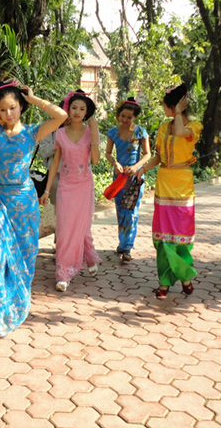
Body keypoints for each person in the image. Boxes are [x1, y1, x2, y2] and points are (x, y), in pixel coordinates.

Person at [0, 81, 67, 348]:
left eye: (13, 108)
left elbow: (61, 116)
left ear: (20, 107)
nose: (8, 114)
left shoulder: (33, 132)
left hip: (25, 204)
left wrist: (33, 99)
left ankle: (11, 306)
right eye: (2, 109)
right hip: (1, 200)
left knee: (23, 261)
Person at [134, 84, 202, 299]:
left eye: (166, 106)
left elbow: (181, 132)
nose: (163, 109)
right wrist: (143, 168)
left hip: (182, 185)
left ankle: (184, 276)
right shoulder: (164, 127)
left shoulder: (195, 126)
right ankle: (165, 281)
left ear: (176, 106)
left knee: (180, 235)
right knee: (162, 236)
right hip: (164, 183)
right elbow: (159, 156)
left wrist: (179, 113)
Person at [40, 90, 102, 292]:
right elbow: (55, 163)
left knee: (82, 227)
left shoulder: (90, 131)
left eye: (82, 109)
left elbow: (95, 160)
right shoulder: (59, 133)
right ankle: (63, 273)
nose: (77, 111)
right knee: (65, 229)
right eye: (74, 107)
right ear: (68, 109)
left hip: (84, 185)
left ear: (87, 112)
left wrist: (94, 134)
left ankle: (88, 256)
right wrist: (46, 190)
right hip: (65, 186)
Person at [105, 97, 151, 262]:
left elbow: (148, 154)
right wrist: (115, 163)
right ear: (118, 114)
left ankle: (126, 248)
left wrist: (137, 167)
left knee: (131, 212)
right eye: (122, 116)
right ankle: (123, 244)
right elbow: (108, 153)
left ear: (134, 117)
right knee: (121, 211)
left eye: (129, 117)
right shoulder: (113, 132)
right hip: (119, 178)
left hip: (135, 178)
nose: (125, 120)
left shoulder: (140, 132)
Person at [37, 100, 68, 240]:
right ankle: (60, 241)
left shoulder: (79, 130)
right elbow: (43, 151)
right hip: (55, 176)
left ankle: (68, 242)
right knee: (58, 211)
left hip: (75, 176)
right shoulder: (50, 128)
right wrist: (57, 141)